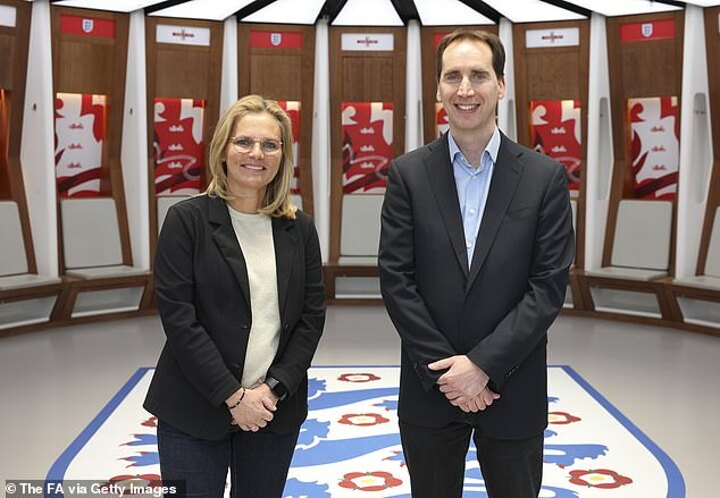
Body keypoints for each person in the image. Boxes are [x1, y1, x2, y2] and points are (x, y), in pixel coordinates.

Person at [378, 29, 574, 498]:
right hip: (431, 388)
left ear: (501, 85)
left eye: (479, 76)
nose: (465, 89)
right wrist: (450, 375)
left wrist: (483, 365)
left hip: (513, 386)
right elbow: (397, 280)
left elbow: (546, 288)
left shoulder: (544, 178)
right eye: (453, 77)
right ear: (438, 88)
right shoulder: (408, 174)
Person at [144, 94, 326, 497]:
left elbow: (311, 319)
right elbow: (180, 320)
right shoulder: (186, 221)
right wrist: (233, 396)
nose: (256, 154)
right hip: (193, 409)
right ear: (223, 149)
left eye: (270, 144)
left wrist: (271, 390)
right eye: (244, 142)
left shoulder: (300, 229)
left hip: (272, 410)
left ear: (283, 155)